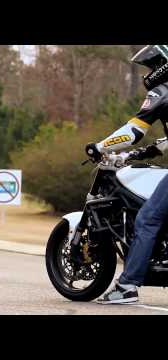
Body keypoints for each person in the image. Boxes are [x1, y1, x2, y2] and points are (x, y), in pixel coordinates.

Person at [85, 45, 168, 304]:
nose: (149, 73)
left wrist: (100, 147)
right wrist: (138, 155)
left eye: (151, 67)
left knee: (148, 219)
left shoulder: (162, 91)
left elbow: (134, 130)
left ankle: (127, 286)